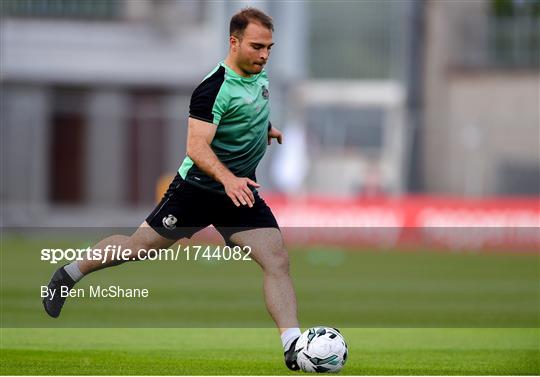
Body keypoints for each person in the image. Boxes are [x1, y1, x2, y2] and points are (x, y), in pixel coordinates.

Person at [42, 7, 302, 371]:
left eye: (269, 48)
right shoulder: (213, 88)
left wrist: (265, 130)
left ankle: (293, 346)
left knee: (277, 259)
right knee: (136, 249)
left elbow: (247, 110)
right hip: (196, 191)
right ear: (234, 42)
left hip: (239, 194)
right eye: (257, 47)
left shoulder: (258, 75)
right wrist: (227, 179)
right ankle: (68, 274)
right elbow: (196, 147)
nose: (264, 55)